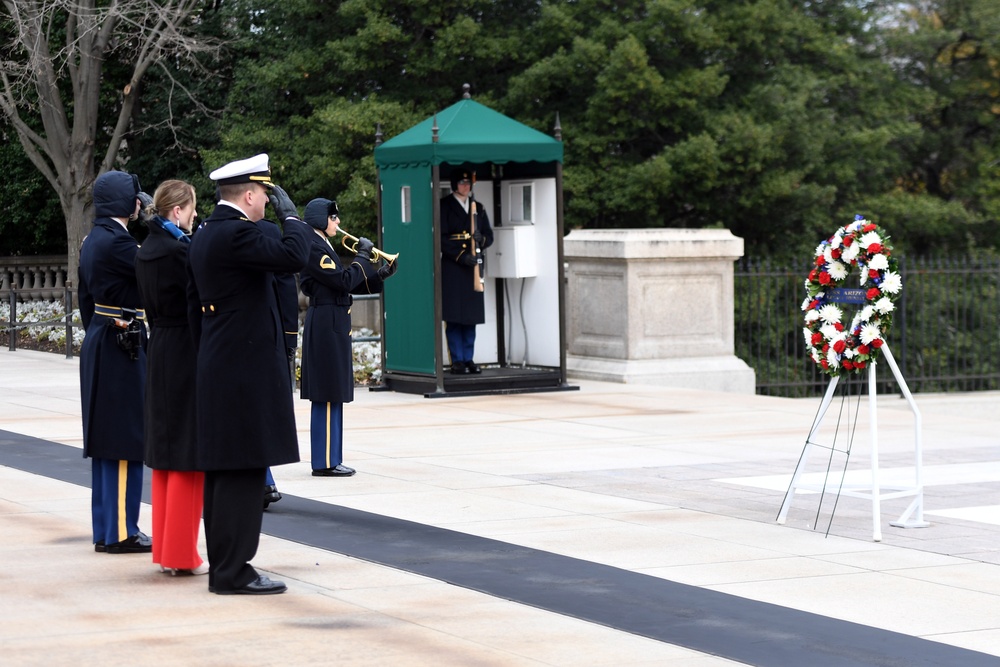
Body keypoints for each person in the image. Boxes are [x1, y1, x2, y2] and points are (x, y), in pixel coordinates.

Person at [187, 153, 311, 595]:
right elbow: (293, 256)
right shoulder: (237, 233)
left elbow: (191, 306)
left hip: (220, 363)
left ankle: (225, 564)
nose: (267, 204)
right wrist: (292, 217)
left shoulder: (204, 234)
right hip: (242, 369)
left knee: (222, 473)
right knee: (242, 471)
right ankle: (234, 570)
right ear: (252, 194)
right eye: (266, 196)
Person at [134, 179, 208, 576]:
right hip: (184, 347)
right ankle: (181, 553)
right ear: (176, 211)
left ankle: (166, 548)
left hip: (159, 344)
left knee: (165, 454)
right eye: (192, 208)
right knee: (185, 454)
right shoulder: (180, 250)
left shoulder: (146, 249)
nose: (195, 215)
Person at [78, 170, 152, 554]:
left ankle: (107, 528)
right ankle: (123, 531)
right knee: (125, 439)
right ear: (129, 203)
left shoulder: (94, 239)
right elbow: (159, 271)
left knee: (107, 440)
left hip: (102, 337)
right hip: (121, 341)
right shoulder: (120, 243)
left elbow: (85, 303)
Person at [299, 198, 397, 477]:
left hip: (333, 318)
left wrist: (379, 275)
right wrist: (363, 257)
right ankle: (324, 461)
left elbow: (343, 283)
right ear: (320, 220)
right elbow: (341, 280)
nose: (337, 222)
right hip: (326, 320)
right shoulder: (315, 246)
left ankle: (332, 457)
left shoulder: (322, 244)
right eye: (333, 217)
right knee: (327, 393)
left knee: (334, 393)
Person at [258, 217, 301, 509]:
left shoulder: (207, 230)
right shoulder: (268, 231)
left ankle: (264, 479)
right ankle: (263, 480)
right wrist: (288, 335)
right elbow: (285, 283)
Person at [440, 168, 493, 374]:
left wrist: (482, 240)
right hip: (454, 266)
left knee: (470, 317)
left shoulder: (477, 207)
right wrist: (461, 256)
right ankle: (458, 360)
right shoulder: (444, 206)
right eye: (461, 183)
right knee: (454, 316)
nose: (465, 186)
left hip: (474, 268)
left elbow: (489, 235)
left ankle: (469, 358)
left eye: (467, 183)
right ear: (454, 185)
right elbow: (442, 238)